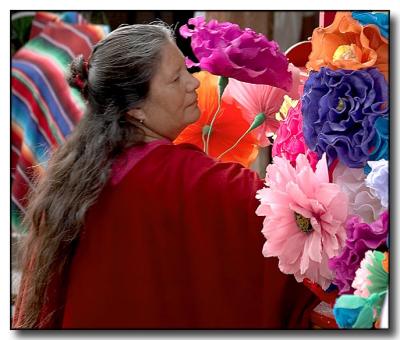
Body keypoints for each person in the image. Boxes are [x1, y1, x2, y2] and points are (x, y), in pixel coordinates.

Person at [13, 22, 319, 329]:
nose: (194, 83)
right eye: (175, 79)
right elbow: (290, 219)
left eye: (186, 69)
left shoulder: (78, 172)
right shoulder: (182, 177)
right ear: (135, 111)